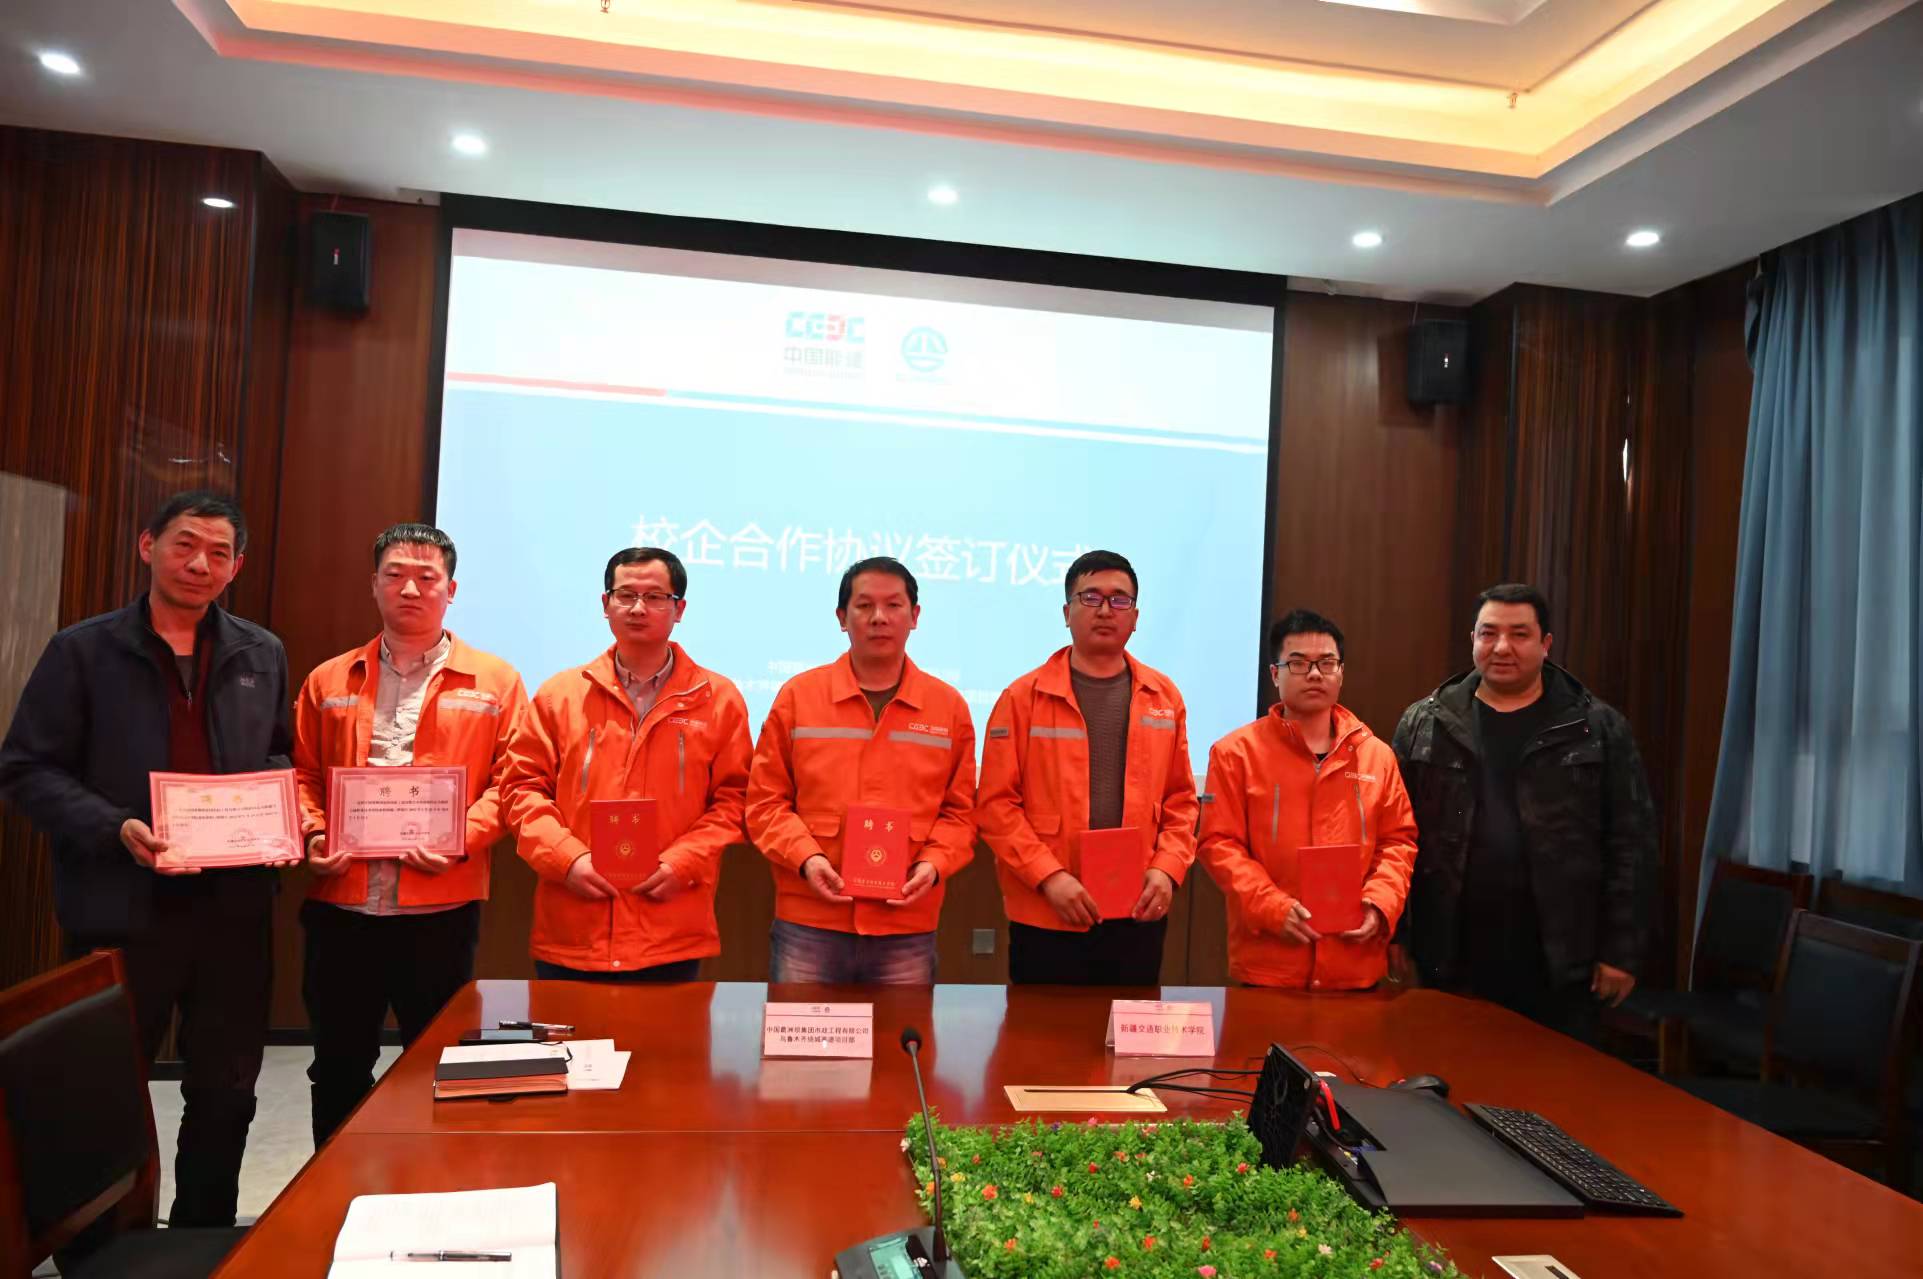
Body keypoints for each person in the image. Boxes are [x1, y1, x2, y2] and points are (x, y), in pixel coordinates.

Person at [0, 491, 290, 1228]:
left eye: (219, 552)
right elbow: (26, 769)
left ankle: (204, 1238)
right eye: (184, 544)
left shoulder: (261, 652)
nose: (199, 564)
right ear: (147, 546)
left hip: (232, 911)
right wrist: (115, 827)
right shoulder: (82, 650)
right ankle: (102, 1249)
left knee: (226, 1090)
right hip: (121, 906)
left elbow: (279, 756)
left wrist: (280, 817)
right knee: (100, 1090)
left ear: (236, 567)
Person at [292, 522, 527, 1146]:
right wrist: (315, 835)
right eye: (395, 575)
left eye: (427, 577)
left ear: (452, 590)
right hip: (343, 908)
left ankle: (437, 1189)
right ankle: (335, 1191)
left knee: (442, 1066)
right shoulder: (329, 679)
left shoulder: (496, 681)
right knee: (337, 1067)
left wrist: (459, 838)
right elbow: (303, 775)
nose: (411, 589)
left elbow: (514, 783)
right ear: (374, 584)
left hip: (440, 909)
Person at [1392, 583, 1656, 1041]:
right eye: (1489, 633)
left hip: (1559, 956)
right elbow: (1393, 837)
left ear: (1545, 643)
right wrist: (1395, 935)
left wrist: (1621, 951)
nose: (1502, 648)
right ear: (1472, 639)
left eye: (1519, 634)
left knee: (1552, 1078)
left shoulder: (1595, 726)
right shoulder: (1425, 723)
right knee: (1447, 1070)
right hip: (1451, 950)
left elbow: (1632, 843)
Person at [501, 547, 751, 982]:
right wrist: (567, 860)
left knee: (669, 1031)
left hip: (669, 925)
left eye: (655, 597)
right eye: (626, 595)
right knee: (568, 1032)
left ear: (679, 609)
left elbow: (735, 799)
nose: (638, 608)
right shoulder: (560, 695)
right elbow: (521, 791)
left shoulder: (718, 698)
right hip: (575, 925)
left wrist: (683, 863)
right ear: (606, 604)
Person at [745, 556, 975, 984]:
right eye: (864, 606)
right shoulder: (798, 696)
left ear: (915, 616)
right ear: (841, 618)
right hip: (810, 919)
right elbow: (765, 803)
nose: (879, 618)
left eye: (893, 605)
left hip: (906, 922)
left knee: (902, 1030)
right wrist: (807, 858)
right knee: (803, 1031)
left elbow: (961, 813)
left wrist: (933, 864)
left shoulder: (948, 707)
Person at [977, 550, 1198, 985]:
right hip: (1047, 908)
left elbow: (1181, 801)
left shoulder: (1163, 697)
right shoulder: (1022, 698)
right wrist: (1049, 877)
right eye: (1091, 597)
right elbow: (996, 806)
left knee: (1129, 1026)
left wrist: (1167, 869)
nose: (1105, 610)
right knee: (1043, 1029)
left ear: (1135, 617)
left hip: (1137, 906)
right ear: (1066, 613)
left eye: (1119, 600)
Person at [1197, 610, 1417, 989]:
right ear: (1274, 674)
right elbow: (1219, 844)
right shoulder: (1235, 753)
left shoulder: (1377, 756)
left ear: (1341, 673)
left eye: (1327, 663)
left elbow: (1398, 842)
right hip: (1270, 962)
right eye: (1298, 663)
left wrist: (1379, 905)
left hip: (1355, 963)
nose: (1315, 674)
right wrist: (1273, 908)